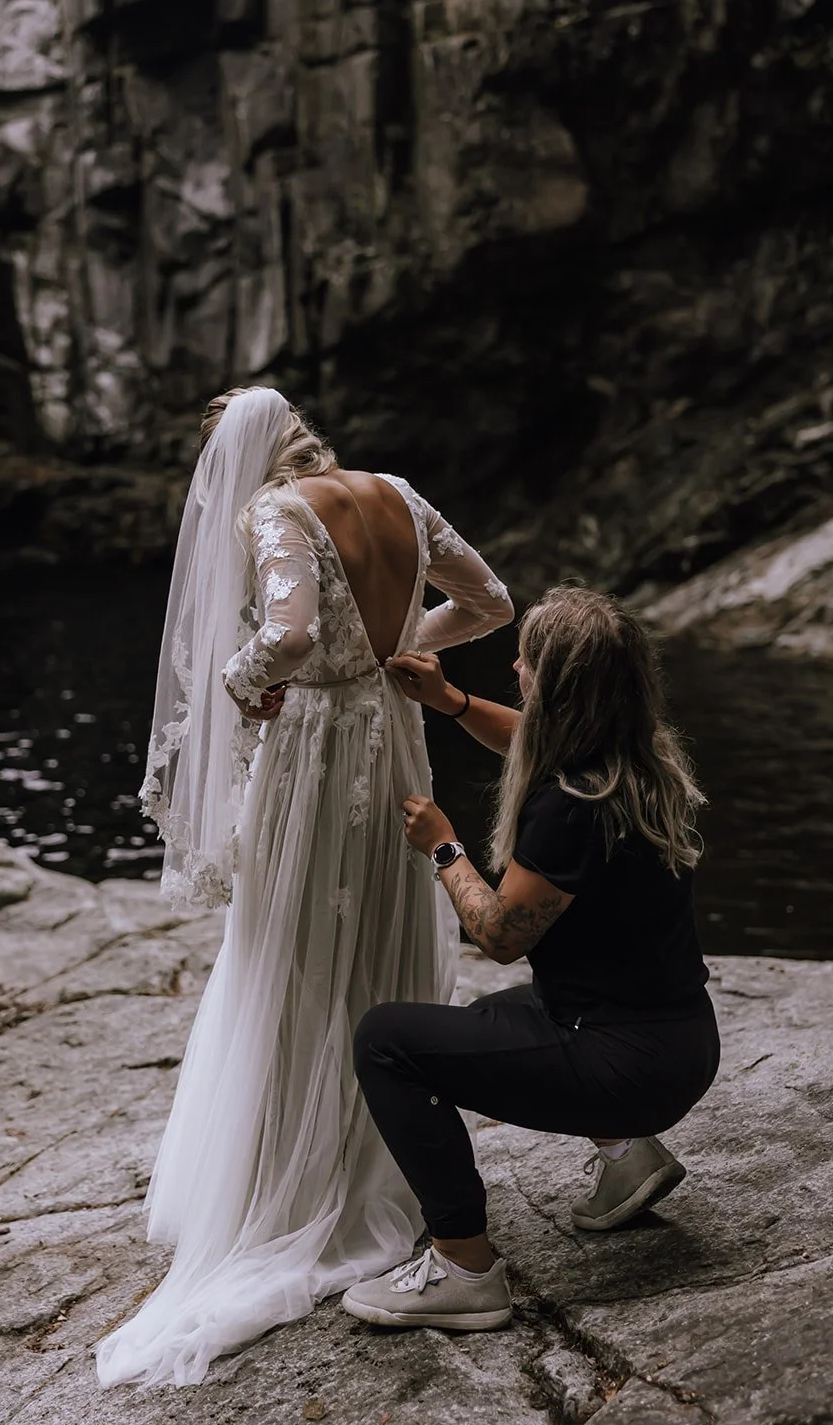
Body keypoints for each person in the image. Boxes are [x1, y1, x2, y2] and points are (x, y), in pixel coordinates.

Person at [96, 385, 514, 1387]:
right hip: (394, 731)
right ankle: (383, 1161)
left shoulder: (278, 511)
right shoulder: (399, 493)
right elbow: (492, 602)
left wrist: (243, 685)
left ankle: (291, 1180)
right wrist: (403, 652)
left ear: (245, 464)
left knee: (288, 950)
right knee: (379, 939)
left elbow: (284, 634)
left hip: (319, 749)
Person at [342, 586, 720, 1332]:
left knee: (385, 1039)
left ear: (560, 686)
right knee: (491, 1019)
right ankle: (629, 1161)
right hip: (680, 1041)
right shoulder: (643, 758)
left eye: (528, 659)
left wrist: (444, 848)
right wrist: (451, 701)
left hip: (624, 1067)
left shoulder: (570, 807)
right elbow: (526, 737)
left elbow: (499, 936)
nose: (514, 663)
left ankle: (464, 1267)